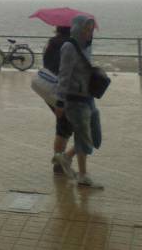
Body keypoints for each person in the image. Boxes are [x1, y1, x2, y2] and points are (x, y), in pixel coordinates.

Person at [55, 15, 103, 188]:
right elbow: (64, 75)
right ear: (77, 29)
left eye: (91, 30)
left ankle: (66, 157)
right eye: (86, 30)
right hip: (74, 99)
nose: (89, 33)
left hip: (88, 96)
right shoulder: (69, 47)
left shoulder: (87, 46)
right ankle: (83, 175)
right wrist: (60, 102)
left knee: (94, 135)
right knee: (83, 135)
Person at [35, 26, 75, 176]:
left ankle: (60, 162)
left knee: (63, 124)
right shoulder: (69, 45)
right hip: (61, 90)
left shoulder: (51, 43)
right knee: (66, 125)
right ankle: (61, 162)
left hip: (47, 86)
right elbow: (66, 70)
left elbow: (47, 63)